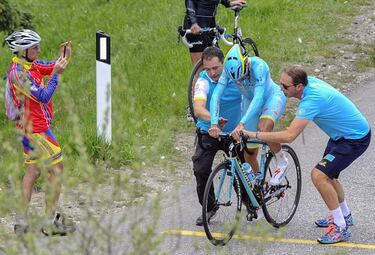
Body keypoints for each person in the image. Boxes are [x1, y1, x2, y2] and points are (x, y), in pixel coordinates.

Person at [241, 65, 371, 244]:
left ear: (299, 87)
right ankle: (345, 215)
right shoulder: (309, 84)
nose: (281, 89)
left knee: (319, 176)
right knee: (330, 176)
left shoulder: (311, 100)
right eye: (280, 84)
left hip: (354, 139)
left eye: (285, 86)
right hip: (341, 135)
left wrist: (254, 134)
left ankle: (341, 228)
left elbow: (289, 136)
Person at [5, 29, 74, 235]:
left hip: (29, 130)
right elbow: (44, 95)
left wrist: (65, 56)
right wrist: (56, 76)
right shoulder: (19, 75)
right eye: (35, 47)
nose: (39, 49)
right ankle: (50, 222)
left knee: (33, 172)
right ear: (23, 50)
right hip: (37, 131)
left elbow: (51, 66)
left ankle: (21, 222)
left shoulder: (30, 65)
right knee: (57, 170)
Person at [209, 44, 288, 186]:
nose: (241, 80)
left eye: (243, 76)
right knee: (249, 153)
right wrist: (214, 123)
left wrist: (241, 123)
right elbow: (216, 96)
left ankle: (282, 160)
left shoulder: (259, 66)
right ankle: (260, 185)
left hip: (270, 98)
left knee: (263, 128)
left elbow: (258, 98)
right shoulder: (227, 70)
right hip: (249, 101)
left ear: (246, 62)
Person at [192, 46, 241, 226]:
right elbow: (198, 108)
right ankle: (210, 206)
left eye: (216, 68)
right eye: (207, 69)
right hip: (209, 130)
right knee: (201, 169)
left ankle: (251, 199)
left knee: (242, 169)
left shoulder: (236, 76)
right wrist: (213, 119)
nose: (212, 73)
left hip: (234, 131)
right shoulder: (203, 81)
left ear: (224, 64)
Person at [183, 0, 246, 65]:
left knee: (217, 65)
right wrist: (194, 22)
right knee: (201, 69)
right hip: (196, 28)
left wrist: (228, 3)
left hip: (209, 25)